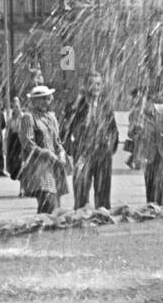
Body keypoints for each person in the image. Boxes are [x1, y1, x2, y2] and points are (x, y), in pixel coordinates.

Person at [65, 72, 119, 210]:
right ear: (85, 86)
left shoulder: (105, 106)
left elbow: (113, 129)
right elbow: (66, 127)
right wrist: (71, 149)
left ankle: (102, 216)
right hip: (83, 153)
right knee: (81, 189)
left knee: (103, 191)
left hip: (102, 153)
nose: (95, 87)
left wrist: (109, 148)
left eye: (98, 84)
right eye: (92, 83)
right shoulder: (77, 105)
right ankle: (82, 218)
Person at [19, 85, 70, 215]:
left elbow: (57, 142)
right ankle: (42, 231)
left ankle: (43, 232)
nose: (49, 101)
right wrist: (47, 154)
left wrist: (62, 154)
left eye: (48, 98)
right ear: (35, 101)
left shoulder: (51, 117)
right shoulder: (28, 117)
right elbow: (28, 144)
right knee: (48, 203)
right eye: (44, 99)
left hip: (54, 168)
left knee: (55, 208)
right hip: (39, 168)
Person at [125, 88, 145, 170]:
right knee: (138, 146)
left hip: (136, 127)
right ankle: (135, 162)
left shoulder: (136, 105)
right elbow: (134, 117)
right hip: (136, 127)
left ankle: (132, 161)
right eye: (137, 95)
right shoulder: (136, 106)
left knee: (137, 146)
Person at [7, 97, 24, 189]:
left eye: (17, 106)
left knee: (22, 164)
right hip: (13, 143)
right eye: (14, 106)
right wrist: (6, 147)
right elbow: (7, 133)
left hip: (21, 142)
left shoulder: (24, 117)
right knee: (15, 165)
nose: (15, 108)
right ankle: (22, 185)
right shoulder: (10, 119)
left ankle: (22, 188)